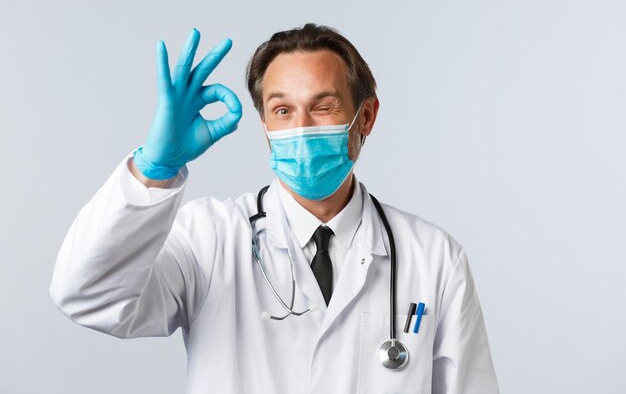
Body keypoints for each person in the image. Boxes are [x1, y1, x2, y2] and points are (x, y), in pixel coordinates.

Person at [50, 23, 499, 394]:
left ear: (365, 117)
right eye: (282, 111)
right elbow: (89, 295)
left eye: (323, 106)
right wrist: (154, 168)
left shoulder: (434, 258)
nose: (301, 128)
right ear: (264, 124)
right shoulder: (210, 238)